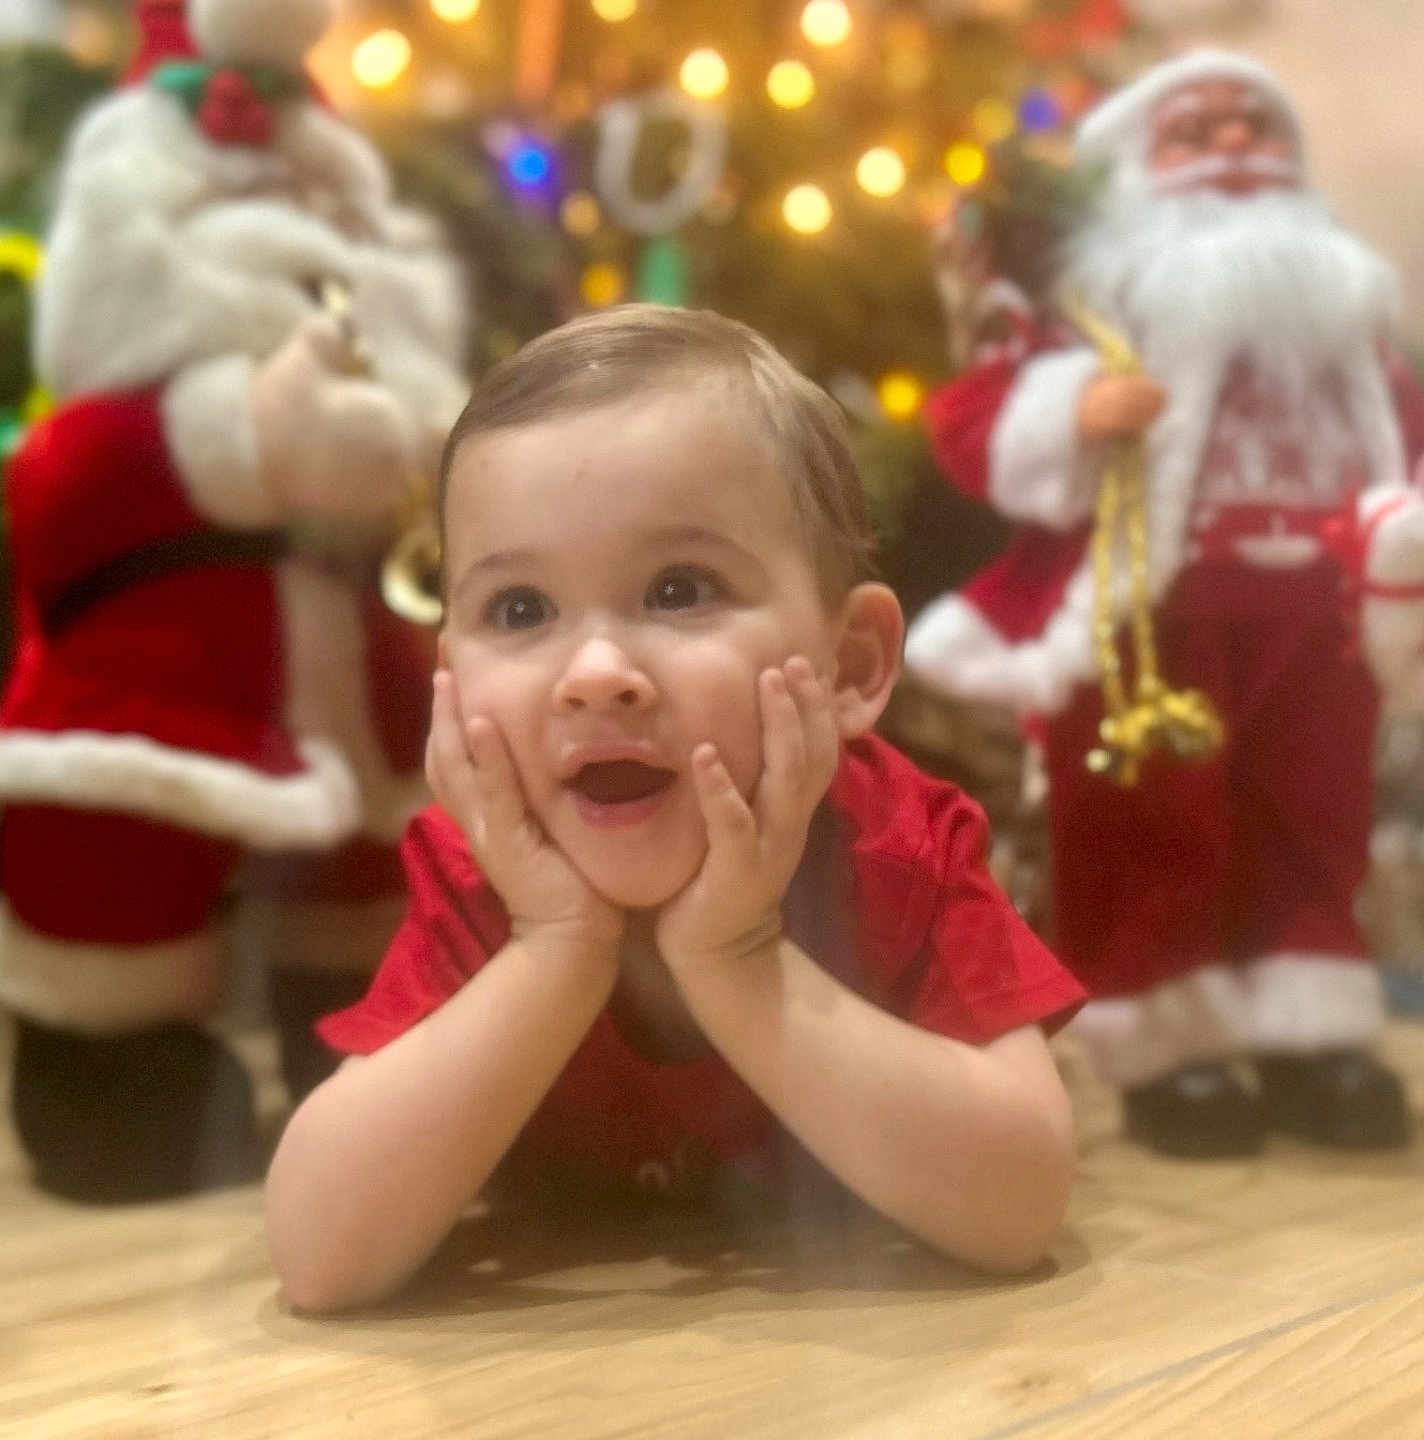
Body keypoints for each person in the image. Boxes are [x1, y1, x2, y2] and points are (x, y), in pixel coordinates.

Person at [264, 304, 1085, 1313]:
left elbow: (1022, 1205)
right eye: (519, 610)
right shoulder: (480, 867)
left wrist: (737, 960)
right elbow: (317, 1257)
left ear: (850, 665)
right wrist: (555, 946)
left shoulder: (898, 843)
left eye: (680, 589)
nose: (597, 675)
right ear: (453, 684)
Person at [0, 0, 468, 1202]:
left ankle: (361, 1056)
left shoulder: (379, 341)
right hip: (158, 682)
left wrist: (406, 444)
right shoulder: (99, 418)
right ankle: (111, 1076)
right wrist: (248, 434)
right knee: (112, 866)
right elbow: (58, 495)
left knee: (373, 875)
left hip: (356, 673)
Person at [905, 50, 1424, 1158]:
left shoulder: (1351, 320)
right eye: (1197, 132)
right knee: (1150, 824)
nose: (1236, 144)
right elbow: (970, 417)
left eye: (1255, 124)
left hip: (1322, 618)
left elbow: (1406, 440)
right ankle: (1170, 1047)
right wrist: (1075, 407)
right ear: (1137, 169)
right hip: (1149, 616)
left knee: (1314, 818)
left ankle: (1310, 1028)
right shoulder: (1096, 305)